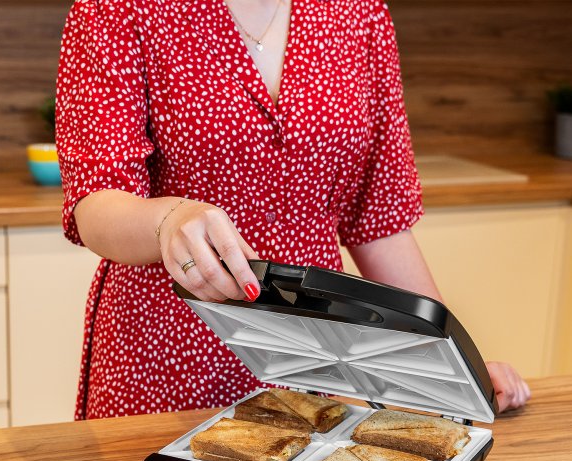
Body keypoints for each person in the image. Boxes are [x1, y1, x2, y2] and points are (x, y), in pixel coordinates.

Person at [55, 0, 531, 420]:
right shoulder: (117, 8)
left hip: (316, 355)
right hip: (167, 352)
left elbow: (378, 221)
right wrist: (169, 220)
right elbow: (95, 204)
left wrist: (451, 363)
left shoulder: (360, 12)